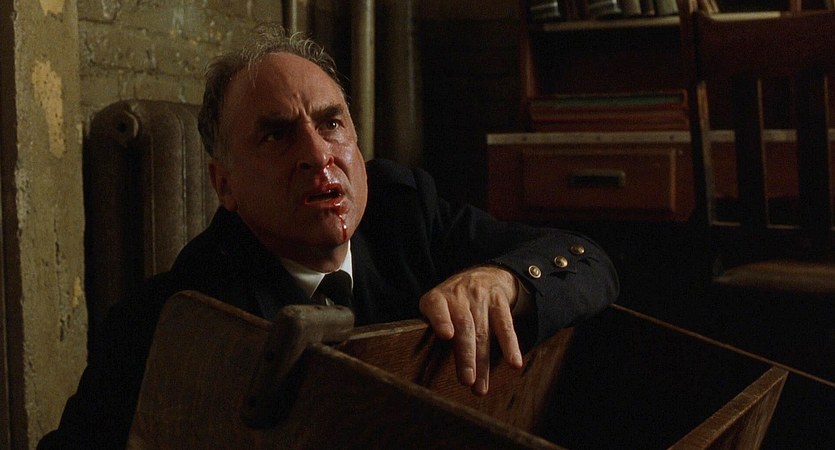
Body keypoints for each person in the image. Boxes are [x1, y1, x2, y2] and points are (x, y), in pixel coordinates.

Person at [39, 24, 618, 449]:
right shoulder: (171, 319)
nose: (319, 156)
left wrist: (504, 280)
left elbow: (589, 262)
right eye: (277, 135)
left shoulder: (407, 213)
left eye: (331, 123)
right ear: (224, 185)